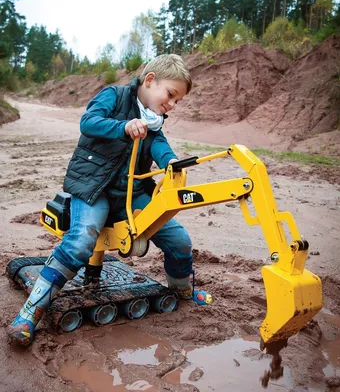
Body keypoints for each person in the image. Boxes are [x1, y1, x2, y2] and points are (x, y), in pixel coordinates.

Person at [7, 54, 213, 347]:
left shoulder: (154, 122)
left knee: (178, 239)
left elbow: (160, 145)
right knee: (80, 241)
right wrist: (123, 127)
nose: (173, 104)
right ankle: (30, 313)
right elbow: (88, 122)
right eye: (171, 94)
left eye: (178, 100)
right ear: (150, 80)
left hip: (131, 195)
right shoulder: (114, 97)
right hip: (93, 188)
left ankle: (181, 291)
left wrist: (172, 164)